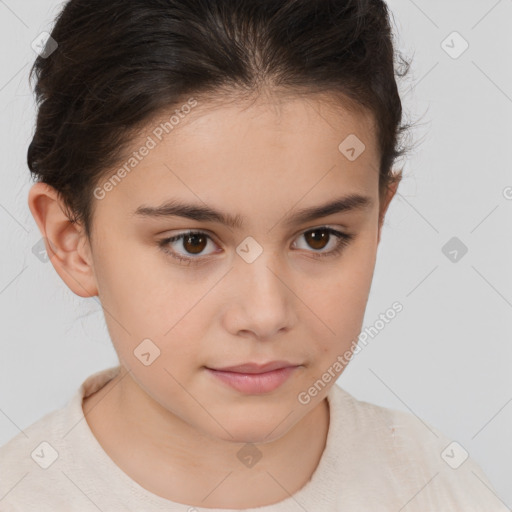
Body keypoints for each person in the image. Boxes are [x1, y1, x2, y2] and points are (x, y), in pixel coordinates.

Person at [0, 0, 507, 510]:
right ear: (72, 242)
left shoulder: (441, 487)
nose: (265, 315)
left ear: (379, 219)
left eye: (319, 237)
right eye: (192, 242)